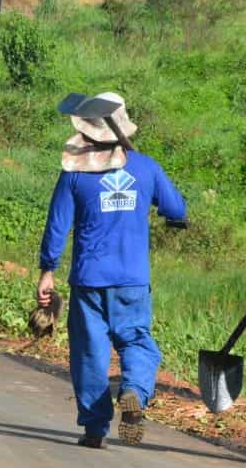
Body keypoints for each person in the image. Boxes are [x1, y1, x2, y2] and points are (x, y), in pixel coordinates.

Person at [37, 93, 188, 448]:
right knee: (137, 341)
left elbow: (57, 225)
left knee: (90, 352)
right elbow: (177, 209)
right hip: (132, 280)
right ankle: (133, 390)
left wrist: (47, 270)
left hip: (89, 280)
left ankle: (94, 429)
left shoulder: (73, 175)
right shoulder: (146, 167)